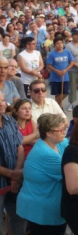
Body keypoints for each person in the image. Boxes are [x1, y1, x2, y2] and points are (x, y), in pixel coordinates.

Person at [17, 114, 69, 235]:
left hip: (46, 205)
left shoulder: (55, 143)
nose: (64, 132)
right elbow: (72, 175)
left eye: (64, 129)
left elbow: (73, 144)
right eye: (60, 130)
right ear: (49, 133)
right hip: (42, 210)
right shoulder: (46, 154)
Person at [0, 92, 26, 235]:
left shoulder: (10, 121)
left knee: (18, 217)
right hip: (3, 182)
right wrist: (12, 174)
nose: (1, 103)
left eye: (3, 100)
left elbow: (20, 146)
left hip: (15, 182)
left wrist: (16, 174)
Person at [46, 36, 74, 108]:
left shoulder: (67, 52)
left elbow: (71, 62)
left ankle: (55, 105)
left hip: (65, 77)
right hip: (55, 77)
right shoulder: (52, 54)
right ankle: (59, 108)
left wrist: (66, 69)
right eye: (58, 43)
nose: (60, 45)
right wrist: (56, 71)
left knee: (65, 92)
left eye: (61, 43)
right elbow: (49, 65)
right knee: (57, 94)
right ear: (54, 45)